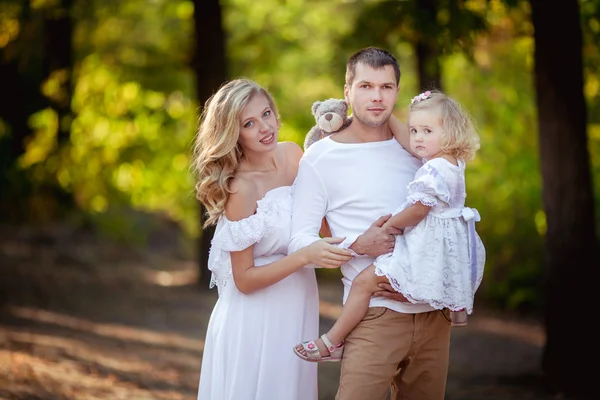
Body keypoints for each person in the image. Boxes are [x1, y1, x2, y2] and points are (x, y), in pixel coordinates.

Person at [289, 47, 453, 400]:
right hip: (373, 314)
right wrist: (355, 247)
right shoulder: (321, 157)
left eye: (386, 87)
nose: (377, 97)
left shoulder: (420, 149)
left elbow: (448, 214)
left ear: (397, 91)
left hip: (432, 312)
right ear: (347, 92)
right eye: (365, 86)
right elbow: (299, 241)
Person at [293, 89, 486, 368]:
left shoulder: (433, 169)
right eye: (415, 130)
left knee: (364, 283)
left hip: (422, 247)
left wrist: (391, 225)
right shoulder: (453, 164)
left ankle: (332, 341)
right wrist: (365, 113)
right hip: (441, 248)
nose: (417, 138)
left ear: (450, 134)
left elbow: (419, 209)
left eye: (426, 131)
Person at [191, 78, 353, 400]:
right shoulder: (241, 188)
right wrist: (305, 257)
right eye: (249, 123)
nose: (264, 127)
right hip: (254, 319)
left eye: (266, 114)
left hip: (298, 305)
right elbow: (244, 280)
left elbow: (323, 225)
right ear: (233, 133)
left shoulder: (294, 155)